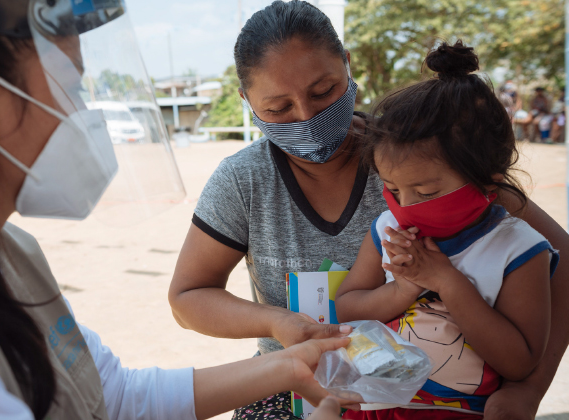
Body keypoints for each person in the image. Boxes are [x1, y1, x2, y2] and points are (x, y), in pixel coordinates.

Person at [0, 1, 351, 419]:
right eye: (72, 84)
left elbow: (113, 398)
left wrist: (287, 367)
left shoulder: (0, 252)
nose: (86, 113)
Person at [168, 1, 569, 419]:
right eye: (278, 108)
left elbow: (560, 257)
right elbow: (187, 298)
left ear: (346, 64)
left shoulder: (417, 158)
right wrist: (277, 323)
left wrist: (529, 387)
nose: (307, 116)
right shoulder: (244, 181)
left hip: (443, 397)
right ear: (246, 100)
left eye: (323, 91)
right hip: (295, 382)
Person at [335, 41, 558, 419]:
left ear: (489, 183)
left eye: (426, 192)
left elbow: (519, 362)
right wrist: (403, 288)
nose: (404, 207)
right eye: (392, 190)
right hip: (373, 405)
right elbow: (345, 309)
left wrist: (447, 282)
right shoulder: (387, 230)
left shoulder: (517, 250)